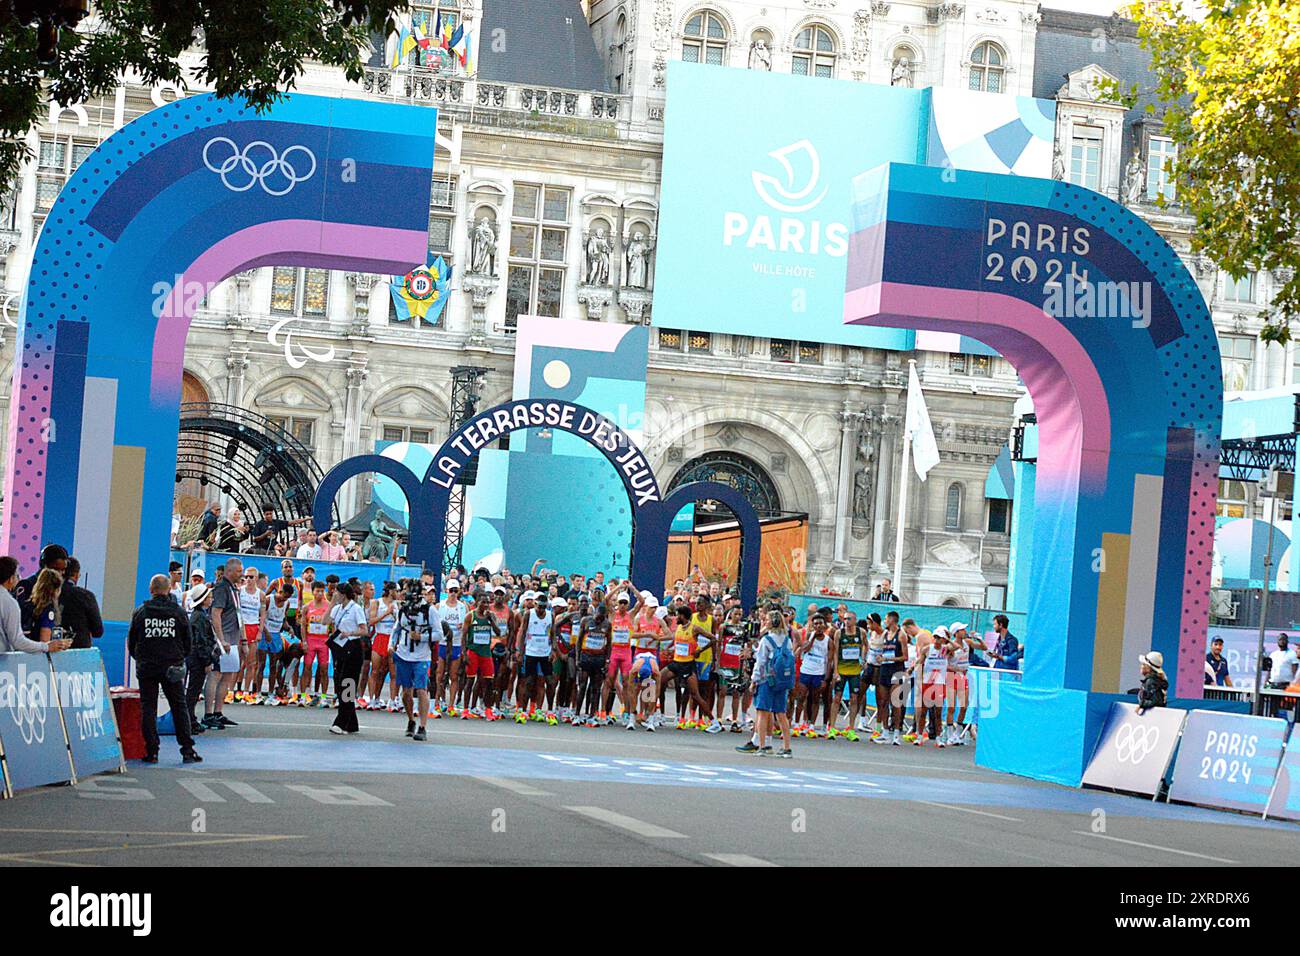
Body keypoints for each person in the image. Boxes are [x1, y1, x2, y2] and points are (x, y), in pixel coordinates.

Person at [128, 573, 201, 764]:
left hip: (147, 667)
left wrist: (142, 658)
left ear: (151, 590)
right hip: (172, 666)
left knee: (148, 708)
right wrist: (178, 658)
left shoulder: (140, 612)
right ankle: (187, 750)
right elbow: (188, 642)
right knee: (179, 707)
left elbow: (132, 642)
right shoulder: (178, 612)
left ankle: (151, 751)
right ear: (168, 590)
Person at [737, 610, 794, 758]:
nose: (764, 622)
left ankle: (762, 745)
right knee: (781, 713)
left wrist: (754, 681)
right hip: (782, 681)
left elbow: (761, 662)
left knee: (762, 712)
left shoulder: (767, 640)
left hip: (766, 679)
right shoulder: (787, 640)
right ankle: (787, 747)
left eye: (767, 620)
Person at [392, 582, 441, 741]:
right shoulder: (403, 610)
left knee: (421, 690)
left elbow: (439, 634)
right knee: (406, 692)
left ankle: (422, 726)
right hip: (403, 653)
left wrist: (422, 637)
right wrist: (391, 645)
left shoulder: (430, 611)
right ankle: (411, 720)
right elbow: (396, 629)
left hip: (421, 656)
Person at [0, 556, 70, 653]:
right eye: (17, 575)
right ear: (11, 579)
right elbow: (17, 641)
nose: (19, 578)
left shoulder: (25, 604)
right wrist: (46, 647)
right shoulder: (9, 603)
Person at [328, 581, 369, 734]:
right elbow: (325, 621)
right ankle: (352, 722)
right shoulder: (337, 609)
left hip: (353, 646)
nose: (334, 595)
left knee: (348, 683)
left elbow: (364, 630)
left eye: (336, 592)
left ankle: (342, 721)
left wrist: (350, 633)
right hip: (340, 647)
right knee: (339, 682)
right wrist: (332, 604)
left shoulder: (355, 608)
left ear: (343, 593)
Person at [462, 591, 502, 719]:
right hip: (473, 651)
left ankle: (488, 710)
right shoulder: (470, 616)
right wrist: (464, 653)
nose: (486, 605)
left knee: (489, 681)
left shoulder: (491, 616)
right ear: (477, 602)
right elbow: (463, 635)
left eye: (488, 602)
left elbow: (498, 632)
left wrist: (491, 620)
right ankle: (466, 709)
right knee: (470, 680)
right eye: (483, 602)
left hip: (486, 652)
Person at [185, 584, 219, 733]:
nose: (211, 599)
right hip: (198, 659)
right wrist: (207, 660)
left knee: (194, 690)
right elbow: (200, 642)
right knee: (193, 690)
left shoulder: (199, 615)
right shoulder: (199, 617)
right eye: (209, 597)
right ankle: (188, 721)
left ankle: (190, 719)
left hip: (196, 657)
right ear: (203, 600)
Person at [52, 557, 104, 650]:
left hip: (49, 651)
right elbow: (98, 631)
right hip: (78, 652)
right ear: (76, 575)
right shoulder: (85, 595)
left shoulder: (47, 593)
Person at [16, 542, 68, 635]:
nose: (60, 573)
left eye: (63, 570)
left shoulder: (62, 588)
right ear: (44, 565)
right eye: (56, 569)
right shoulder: (26, 585)